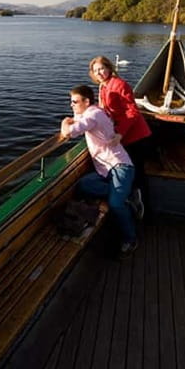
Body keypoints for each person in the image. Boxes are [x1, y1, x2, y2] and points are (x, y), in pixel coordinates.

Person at [60, 85, 137, 259]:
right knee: (84, 185)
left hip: (120, 166)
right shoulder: (92, 111)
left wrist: (64, 122)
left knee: (115, 204)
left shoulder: (93, 115)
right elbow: (78, 118)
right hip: (105, 170)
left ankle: (130, 239)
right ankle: (128, 194)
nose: (71, 105)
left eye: (74, 101)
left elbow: (68, 132)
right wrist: (75, 117)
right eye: (71, 101)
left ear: (86, 102)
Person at [88, 55, 151, 218]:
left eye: (102, 68)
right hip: (121, 135)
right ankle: (129, 200)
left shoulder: (119, 85)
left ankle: (145, 209)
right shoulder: (103, 86)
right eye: (96, 71)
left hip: (135, 135)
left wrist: (119, 134)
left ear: (109, 68)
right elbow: (104, 109)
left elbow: (133, 111)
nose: (99, 73)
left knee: (137, 172)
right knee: (130, 170)